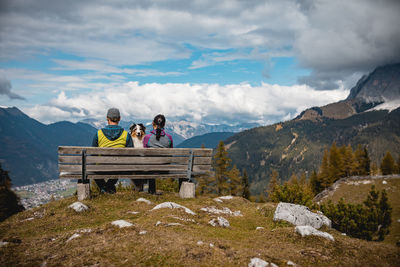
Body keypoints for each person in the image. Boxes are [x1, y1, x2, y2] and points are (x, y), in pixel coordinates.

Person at [92, 108, 133, 193]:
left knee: (92, 168)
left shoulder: (98, 134)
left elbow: (92, 155)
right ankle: (109, 187)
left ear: (107, 118)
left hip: (101, 166)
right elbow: (131, 154)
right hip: (119, 167)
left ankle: (104, 188)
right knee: (118, 166)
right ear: (119, 118)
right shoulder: (126, 135)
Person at [143, 114, 173, 193]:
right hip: (165, 169)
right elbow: (171, 152)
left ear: (153, 123)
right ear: (164, 124)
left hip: (150, 169)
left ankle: (150, 191)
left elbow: (144, 153)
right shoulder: (169, 137)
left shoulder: (147, 137)